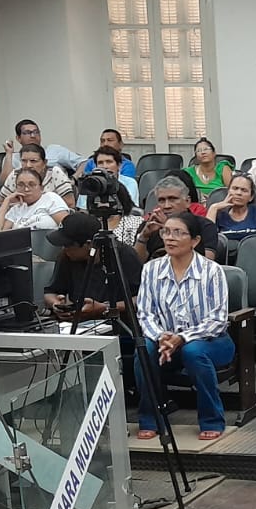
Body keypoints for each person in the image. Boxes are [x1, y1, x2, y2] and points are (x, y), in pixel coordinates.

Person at [134, 211, 234, 442]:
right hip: (165, 342)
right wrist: (161, 337)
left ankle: (211, 420)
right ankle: (150, 418)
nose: (170, 238)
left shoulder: (212, 271)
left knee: (193, 351)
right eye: (166, 232)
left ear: (195, 240)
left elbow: (217, 320)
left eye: (178, 233)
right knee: (144, 349)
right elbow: (145, 314)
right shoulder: (151, 269)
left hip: (211, 341)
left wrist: (182, 338)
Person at [42, 211, 141, 323]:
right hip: (78, 324)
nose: (64, 249)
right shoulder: (66, 256)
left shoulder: (124, 256)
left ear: (89, 244)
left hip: (118, 323)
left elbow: (141, 299)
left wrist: (105, 308)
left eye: (68, 245)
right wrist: (56, 303)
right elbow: (50, 292)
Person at [134, 176, 219, 262]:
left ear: (187, 202)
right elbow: (136, 263)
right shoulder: (150, 226)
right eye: (162, 200)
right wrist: (143, 237)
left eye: (173, 199)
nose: (167, 206)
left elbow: (206, 262)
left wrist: (167, 227)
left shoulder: (205, 226)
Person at [0, 119, 83, 181]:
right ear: (18, 138)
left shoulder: (54, 150)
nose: (33, 136)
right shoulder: (12, 157)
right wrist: (9, 154)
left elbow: (84, 163)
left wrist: (73, 179)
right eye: (27, 133)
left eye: (36, 132)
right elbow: (4, 182)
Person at [0, 143, 76, 206]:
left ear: (44, 163)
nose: (28, 165)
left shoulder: (55, 173)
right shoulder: (15, 175)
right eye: (24, 161)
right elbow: (0, 203)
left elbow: (70, 203)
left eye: (33, 161)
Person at [206, 174, 256, 243]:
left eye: (244, 190)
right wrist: (213, 208)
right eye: (235, 188)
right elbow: (208, 239)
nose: (239, 193)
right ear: (228, 192)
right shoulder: (220, 214)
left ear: (251, 197)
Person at [0, 168, 69, 231]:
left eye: (32, 184)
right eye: (21, 185)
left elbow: (67, 227)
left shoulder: (50, 198)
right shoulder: (16, 209)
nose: (26, 189)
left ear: (41, 188)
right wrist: (6, 201)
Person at [184, 137, 233, 203]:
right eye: (199, 151)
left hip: (221, 204)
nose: (203, 152)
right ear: (196, 156)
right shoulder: (189, 172)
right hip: (197, 205)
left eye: (206, 149)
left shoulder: (223, 168)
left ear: (214, 153)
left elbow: (232, 192)